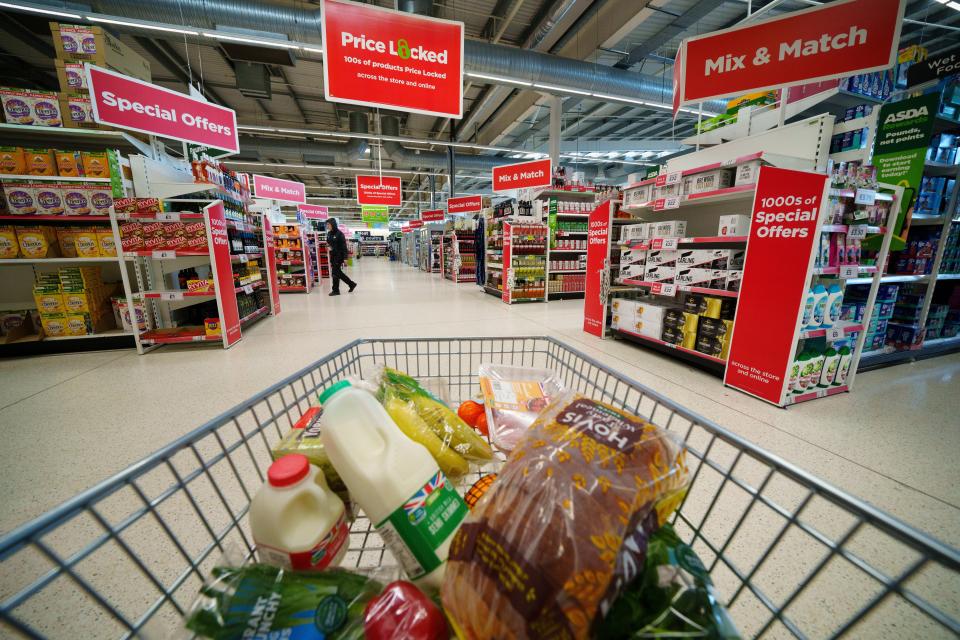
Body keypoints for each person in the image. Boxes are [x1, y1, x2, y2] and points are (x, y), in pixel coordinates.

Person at [326, 219, 357, 296]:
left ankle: (336, 290)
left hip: (339, 256)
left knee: (334, 273)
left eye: (328, 224)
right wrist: (328, 246)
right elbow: (328, 243)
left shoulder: (340, 234)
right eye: (327, 224)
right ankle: (351, 284)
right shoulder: (329, 233)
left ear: (333, 224)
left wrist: (345, 258)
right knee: (337, 273)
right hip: (332, 255)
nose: (327, 226)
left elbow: (344, 247)